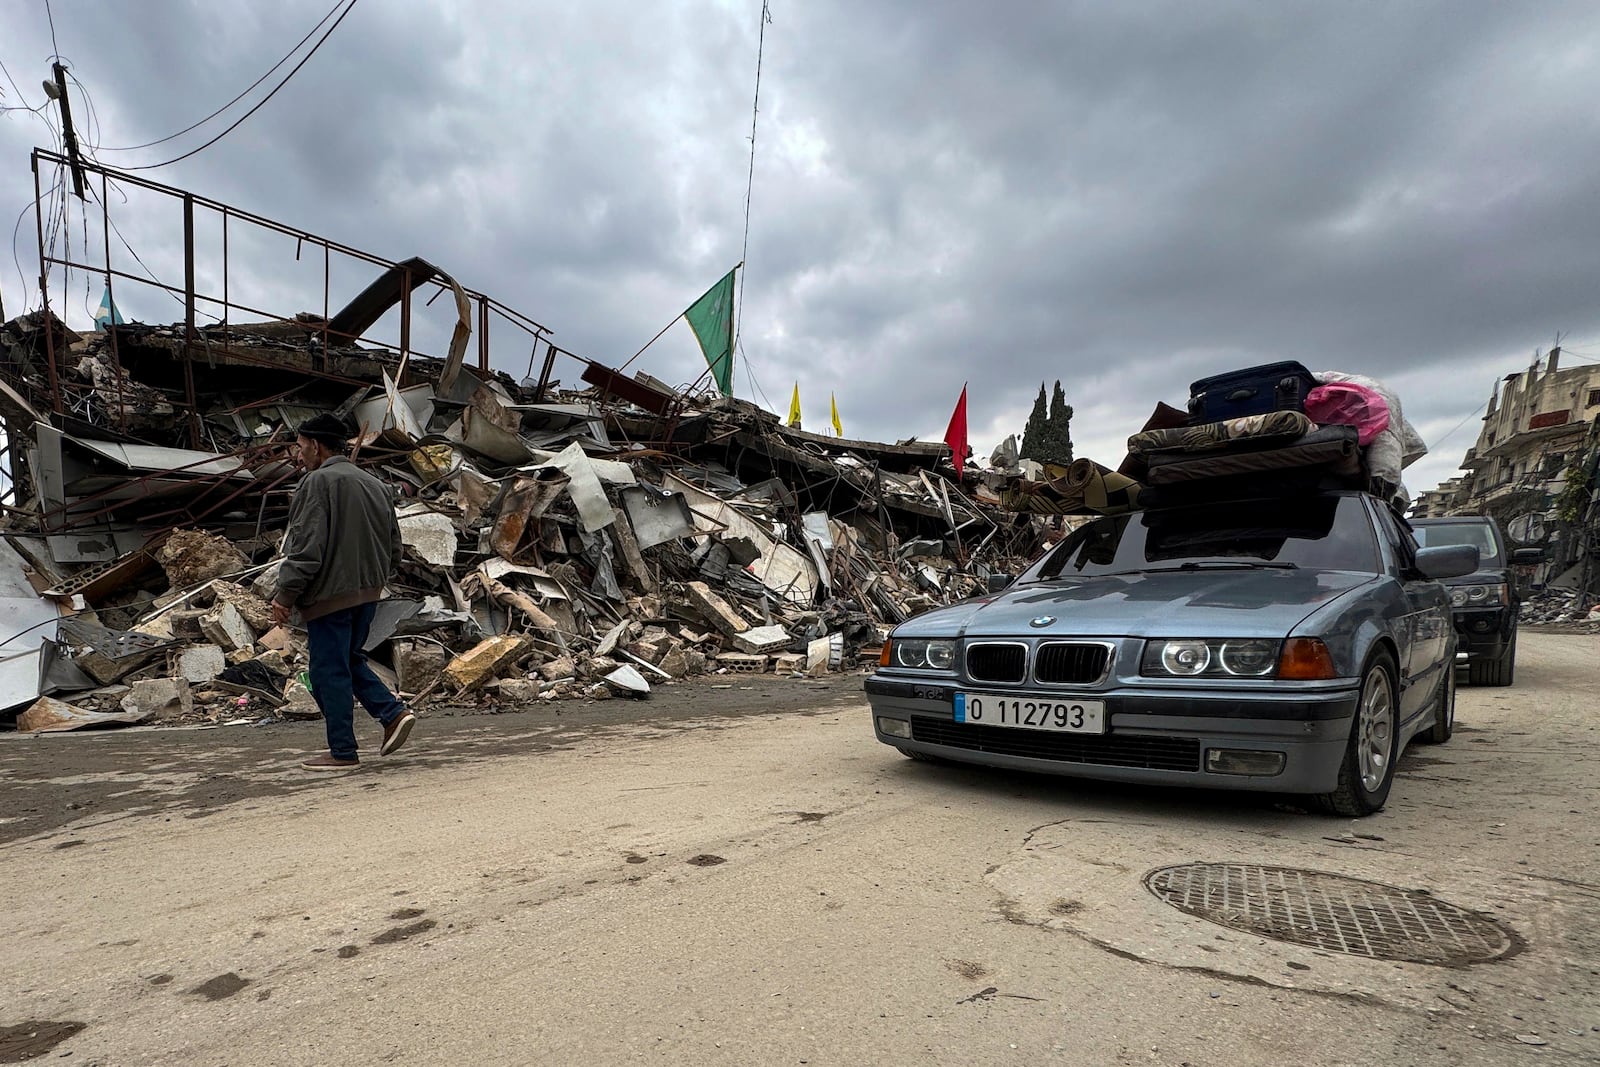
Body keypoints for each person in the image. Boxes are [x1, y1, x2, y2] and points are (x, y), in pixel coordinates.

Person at [272, 413, 415, 770]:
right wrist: (374, 578)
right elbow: (395, 548)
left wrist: (284, 595)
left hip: (329, 597)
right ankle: (392, 715)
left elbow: (306, 549)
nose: (298, 455)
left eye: (301, 447)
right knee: (348, 662)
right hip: (368, 594)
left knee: (327, 672)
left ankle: (342, 751)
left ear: (317, 446)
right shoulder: (375, 484)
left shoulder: (317, 483)